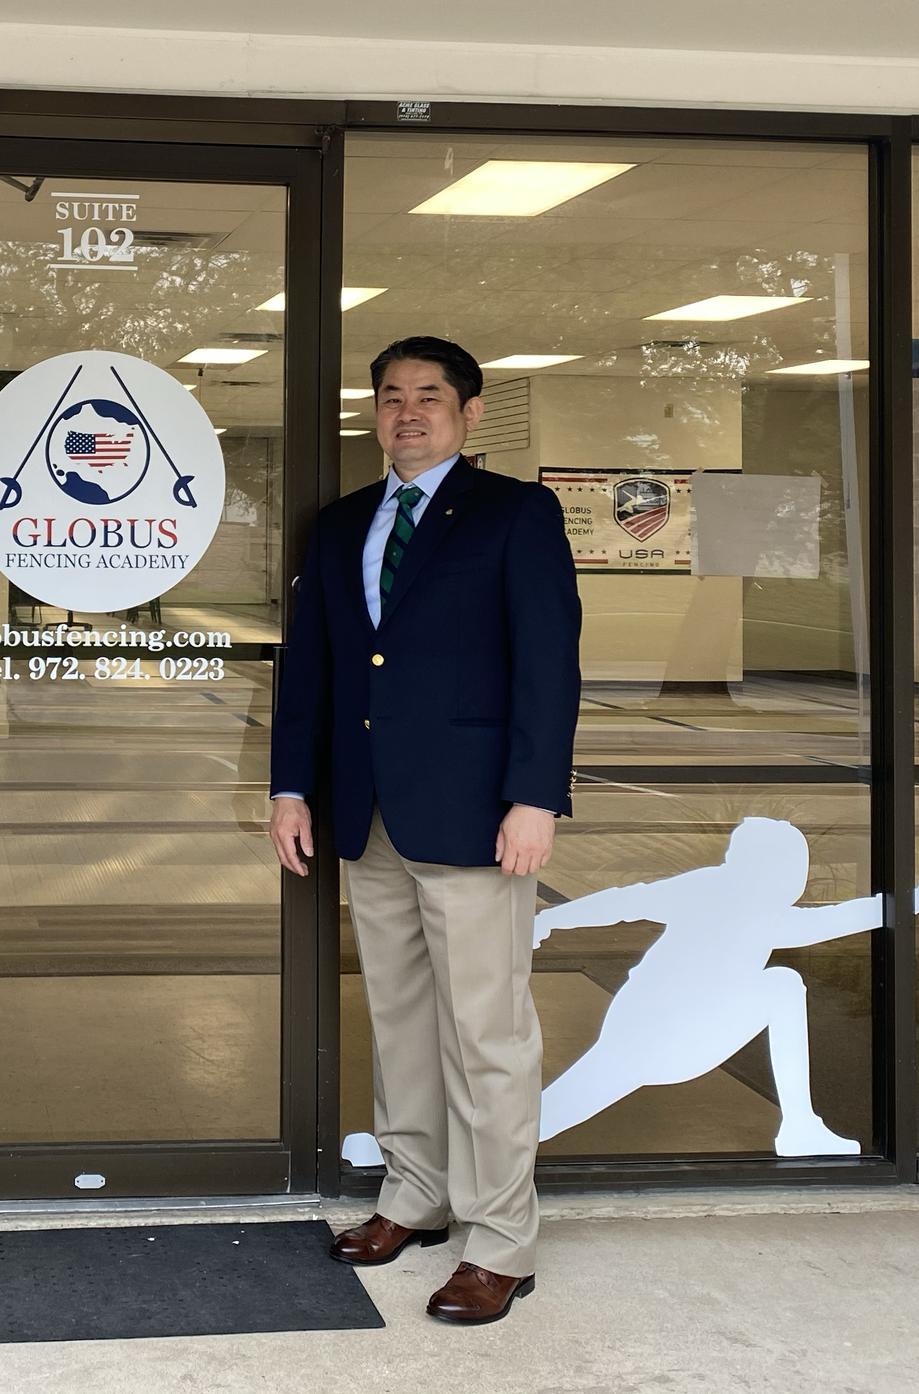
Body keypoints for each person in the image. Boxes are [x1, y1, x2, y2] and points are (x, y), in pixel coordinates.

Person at [270, 335, 581, 1327]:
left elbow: (548, 664)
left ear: (469, 412)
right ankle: (414, 1195)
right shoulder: (340, 525)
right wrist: (291, 787)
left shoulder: (513, 514)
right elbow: (312, 667)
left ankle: (501, 1242)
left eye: (428, 398)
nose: (407, 412)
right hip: (365, 816)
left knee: (487, 1034)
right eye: (391, 397)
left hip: (477, 817)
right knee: (401, 1019)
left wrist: (535, 796)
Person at [531, 816, 875, 1156]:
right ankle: (799, 1126)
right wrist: (910, 902)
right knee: (782, 986)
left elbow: (627, 902)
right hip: (662, 1037)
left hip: (644, 1030)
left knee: (546, 1116)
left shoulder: (709, 888)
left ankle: (801, 1126)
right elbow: (836, 919)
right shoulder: (758, 909)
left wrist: (549, 921)